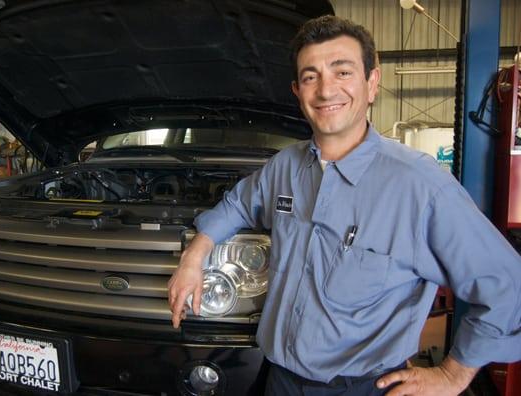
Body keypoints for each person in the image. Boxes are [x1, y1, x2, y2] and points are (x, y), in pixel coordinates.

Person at [168, 15, 521, 396]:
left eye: (342, 72)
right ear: (296, 90)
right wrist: (195, 254)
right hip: (279, 379)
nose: (325, 90)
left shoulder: (420, 185)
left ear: (372, 83)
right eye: (310, 76)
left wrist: (453, 374)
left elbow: (508, 288)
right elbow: (238, 204)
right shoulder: (284, 167)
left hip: (365, 386)